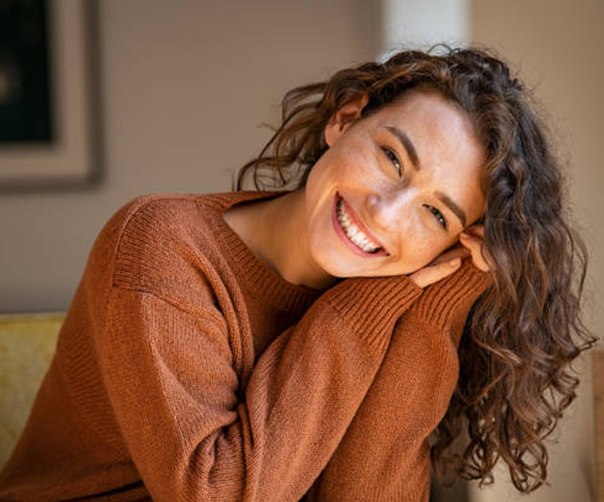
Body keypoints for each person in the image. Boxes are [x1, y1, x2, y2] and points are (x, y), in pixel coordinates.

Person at [0, 46, 594, 501]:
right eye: (391, 156)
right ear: (346, 119)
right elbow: (219, 494)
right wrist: (358, 310)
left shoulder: (395, 293)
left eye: (435, 212)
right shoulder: (163, 245)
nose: (384, 212)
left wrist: (442, 300)